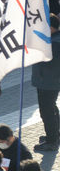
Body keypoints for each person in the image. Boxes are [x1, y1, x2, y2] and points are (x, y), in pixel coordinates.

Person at [31, 13, 60, 151]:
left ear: (52, 27)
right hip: (47, 81)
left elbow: (47, 61)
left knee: (46, 111)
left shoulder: (54, 43)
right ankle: (55, 134)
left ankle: (52, 140)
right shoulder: (52, 39)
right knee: (52, 108)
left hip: (48, 82)